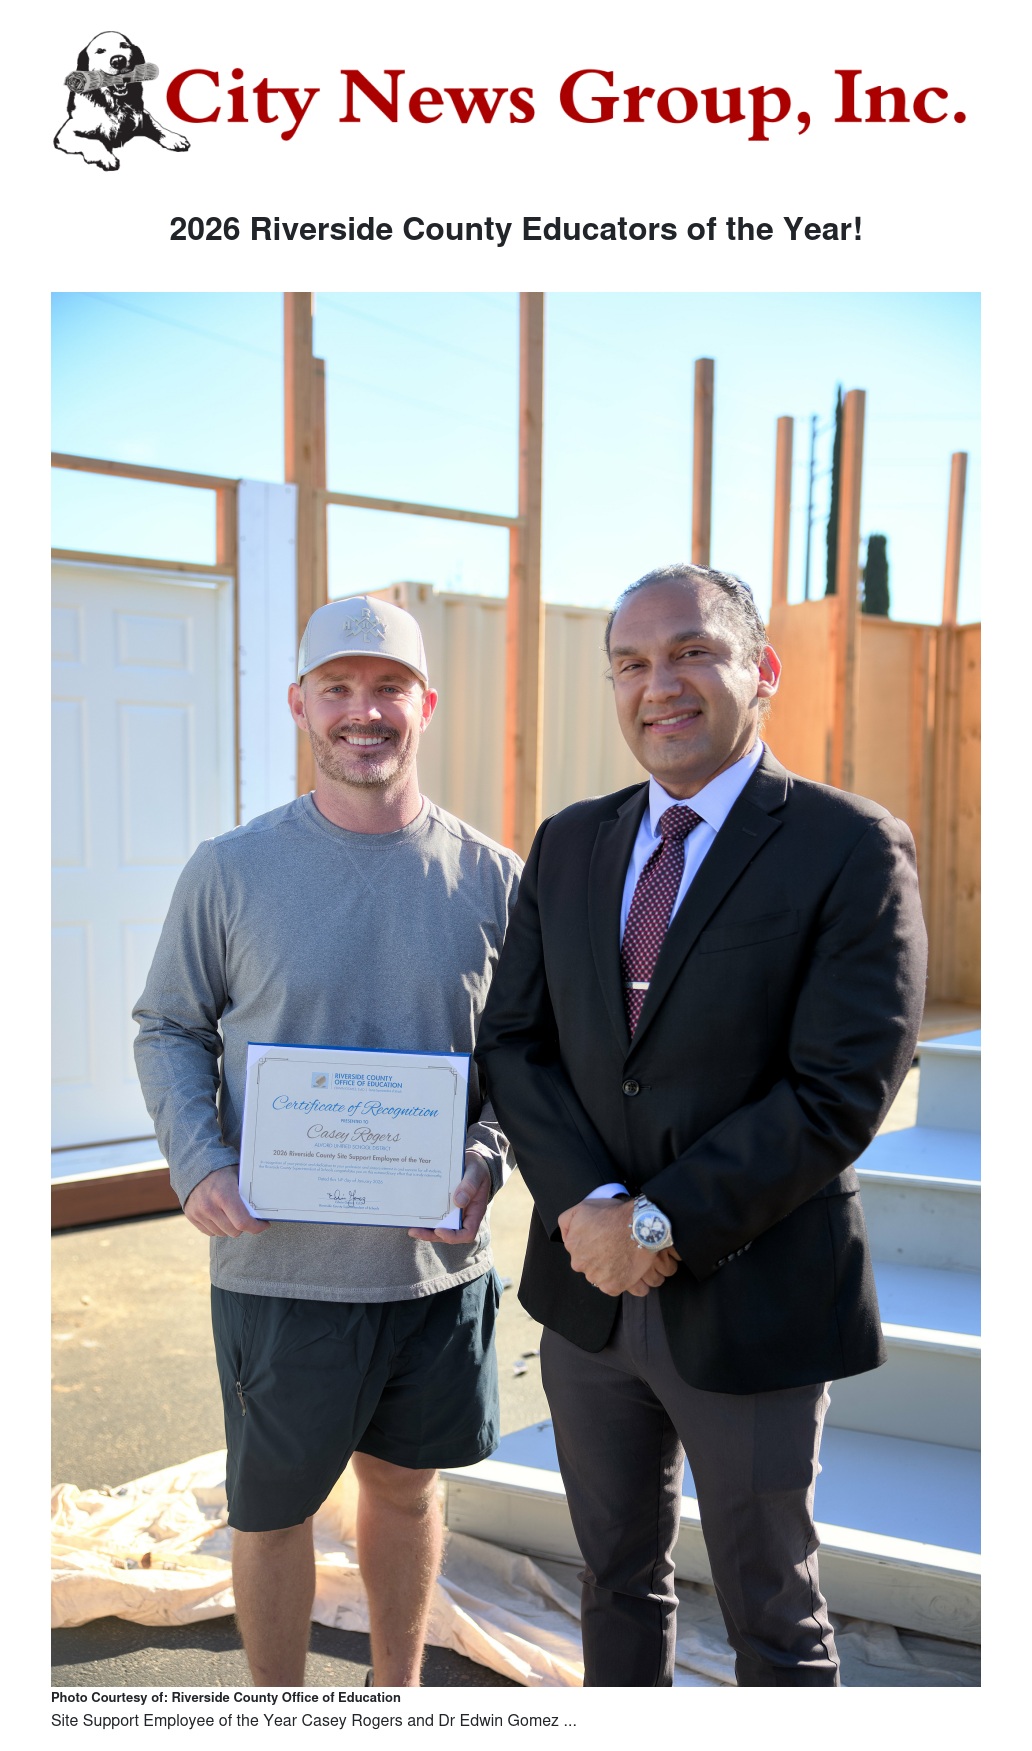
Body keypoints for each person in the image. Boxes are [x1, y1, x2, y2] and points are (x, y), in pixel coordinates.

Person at [476, 563, 927, 1687]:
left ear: (762, 670)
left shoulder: (848, 846)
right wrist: (590, 1207)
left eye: (691, 652)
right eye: (630, 663)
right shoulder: (570, 843)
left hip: (754, 1294)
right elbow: (516, 1042)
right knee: (614, 1580)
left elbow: (840, 1086)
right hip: (588, 1296)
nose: (658, 684)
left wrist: (658, 1220)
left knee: (775, 1617)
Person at [134, 595, 520, 1688]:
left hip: (432, 1272)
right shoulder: (231, 868)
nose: (365, 710)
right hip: (280, 1269)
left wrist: (486, 1158)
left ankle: (393, 1703)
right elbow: (167, 1024)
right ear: (299, 703)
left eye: (389, 686)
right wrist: (200, 1160)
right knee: (274, 1511)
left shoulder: (494, 879)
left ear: (426, 704)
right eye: (338, 687)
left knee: (405, 1489)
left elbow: (524, 1063)